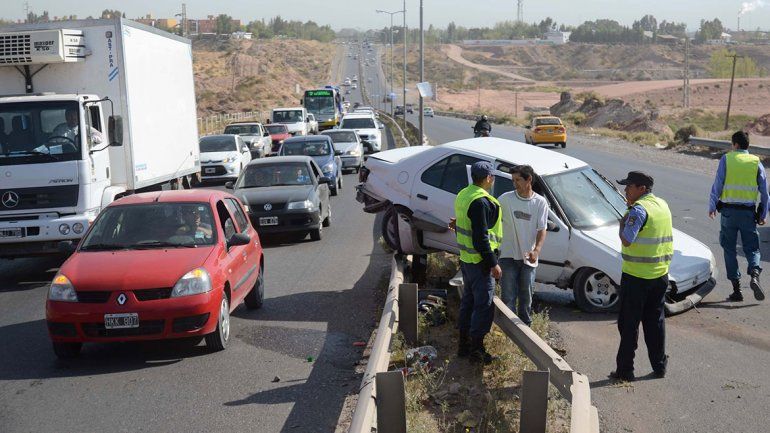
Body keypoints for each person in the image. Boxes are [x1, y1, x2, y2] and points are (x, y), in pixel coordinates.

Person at [610, 171, 672, 382]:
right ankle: (660, 365)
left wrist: (622, 223)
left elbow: (627, 239)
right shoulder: (661, 204)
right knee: (655, 323)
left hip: (636, 278)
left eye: (629, 186)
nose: (625, 190)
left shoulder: (638, 210)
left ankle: (625, 371)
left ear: (642, 189)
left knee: (629, 325)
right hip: (660, 276)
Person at [451, 161, 503, 364]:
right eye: (493, 176)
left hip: (466, 259)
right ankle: (477, 350)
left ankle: (463, 346)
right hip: (481, 262)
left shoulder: (464, 194)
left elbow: (465, 223)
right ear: (489, 178)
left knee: (468, 302)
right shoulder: (481, 201)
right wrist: (493, 263)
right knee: (483, 305)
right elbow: (481, 238)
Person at [708, 130, 767, 302]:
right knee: (752, 248)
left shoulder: (727, 159)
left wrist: (712, 206)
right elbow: (765, 193)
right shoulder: (756, 162)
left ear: (735, 145)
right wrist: (762, 213)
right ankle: (755, 273)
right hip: (748, 214)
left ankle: (737, 289)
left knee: (729, 249)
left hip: (728, 213)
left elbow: (717, 185)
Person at [498, 165, 549, 326]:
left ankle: (525, 330)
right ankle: (508, 332)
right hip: (507, 256)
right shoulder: (505, 199)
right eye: (513, 180)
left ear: (529, 180)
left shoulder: (540, 203)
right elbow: (489, 216)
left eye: (518, 180)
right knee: (508, 297)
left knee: (526, 297)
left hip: (528, 258)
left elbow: (542, 229)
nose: (515, 183)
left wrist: (537, 250)